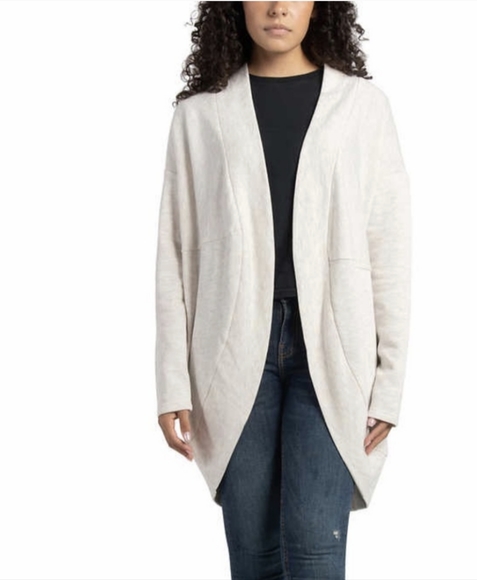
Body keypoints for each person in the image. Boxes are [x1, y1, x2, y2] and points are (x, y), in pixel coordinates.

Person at [154, 1, 412, 578]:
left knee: (316, 552)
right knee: (254, 556)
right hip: (228, 351)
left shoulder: (363, 107)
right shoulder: (199, 116)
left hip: (335, 350)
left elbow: (390, 249)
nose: (277, 7)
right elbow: (174, 251)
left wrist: (390, 383)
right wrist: (171, 379)